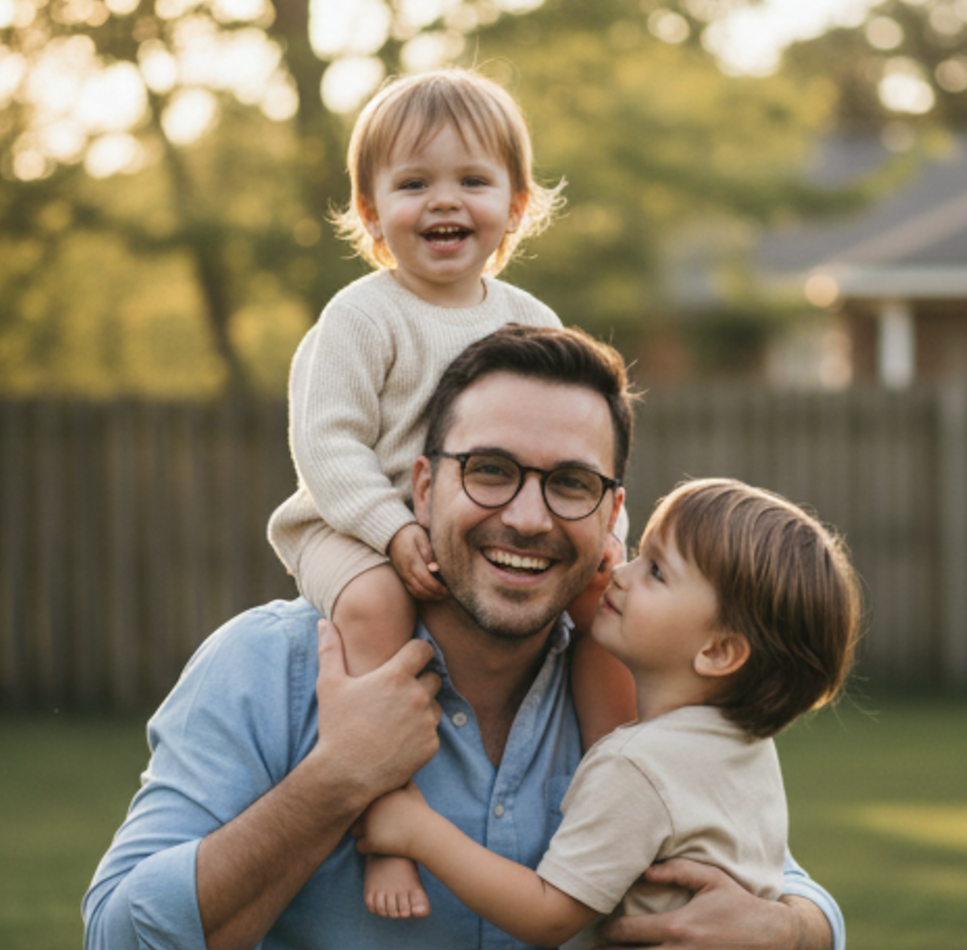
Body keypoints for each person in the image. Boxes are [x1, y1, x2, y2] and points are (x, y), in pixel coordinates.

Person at [83, 324, 846, 950]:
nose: (527, 516)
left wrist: (792, 931)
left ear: (612, 511)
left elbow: (771, 875)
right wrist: (337, 778)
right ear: (422, 487)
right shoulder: (269, 667)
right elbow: (121, 934)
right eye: (489, 470)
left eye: (571, 483)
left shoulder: (641, 683)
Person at [265, 68, 633, 916]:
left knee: (607, 605)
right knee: (376, 611)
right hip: (349, 525)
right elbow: (327, 446)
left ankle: (615, 785)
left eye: (473, 180)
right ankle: (385, 818)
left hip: (473, 533)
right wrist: (394, 531)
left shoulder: (530, 316)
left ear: (517, 205)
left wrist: (608, 541)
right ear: (370, 213)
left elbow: (573, 440)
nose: (446, 201)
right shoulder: (363, 317)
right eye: (414, 183)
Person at [353, 478, 861, 949]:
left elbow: (548, 914)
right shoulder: (743, 746)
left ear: (719, 651)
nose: (620, 572)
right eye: (639, 556)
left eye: (656, 572)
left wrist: (417, 830)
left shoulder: (637, 766)